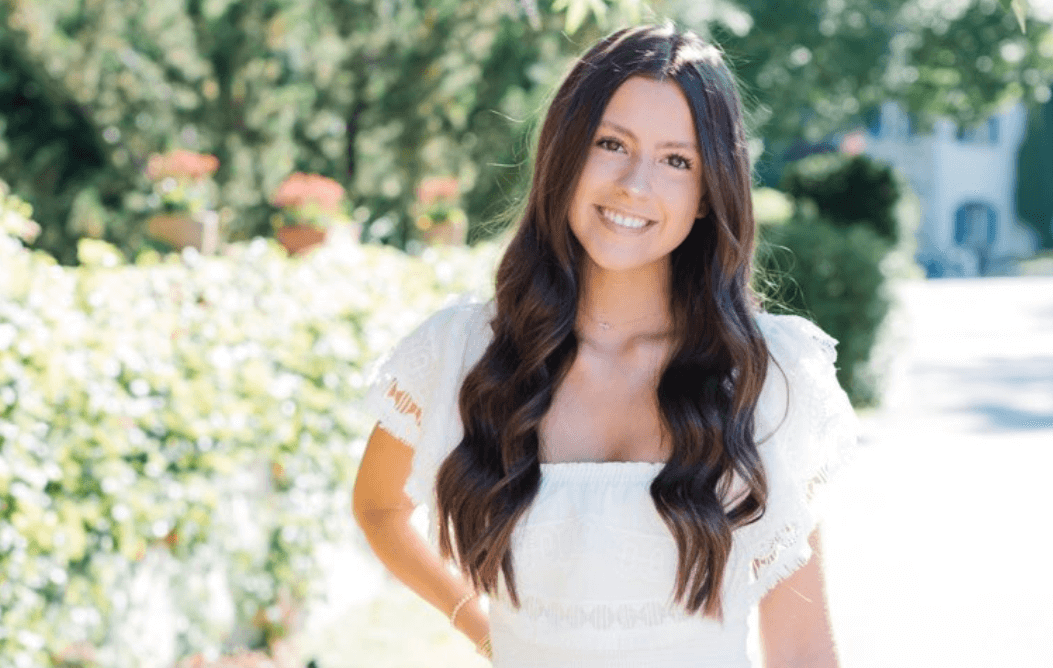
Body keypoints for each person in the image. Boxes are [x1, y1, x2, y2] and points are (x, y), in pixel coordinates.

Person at [352, 23, 858, 667]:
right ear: (564, 153)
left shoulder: (766, 374)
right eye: (611, 143)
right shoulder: (462, 352)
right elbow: (379, 507)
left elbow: (802, 650)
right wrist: (482, 630)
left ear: (708, 195)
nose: (634, 185)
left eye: (677, 161)